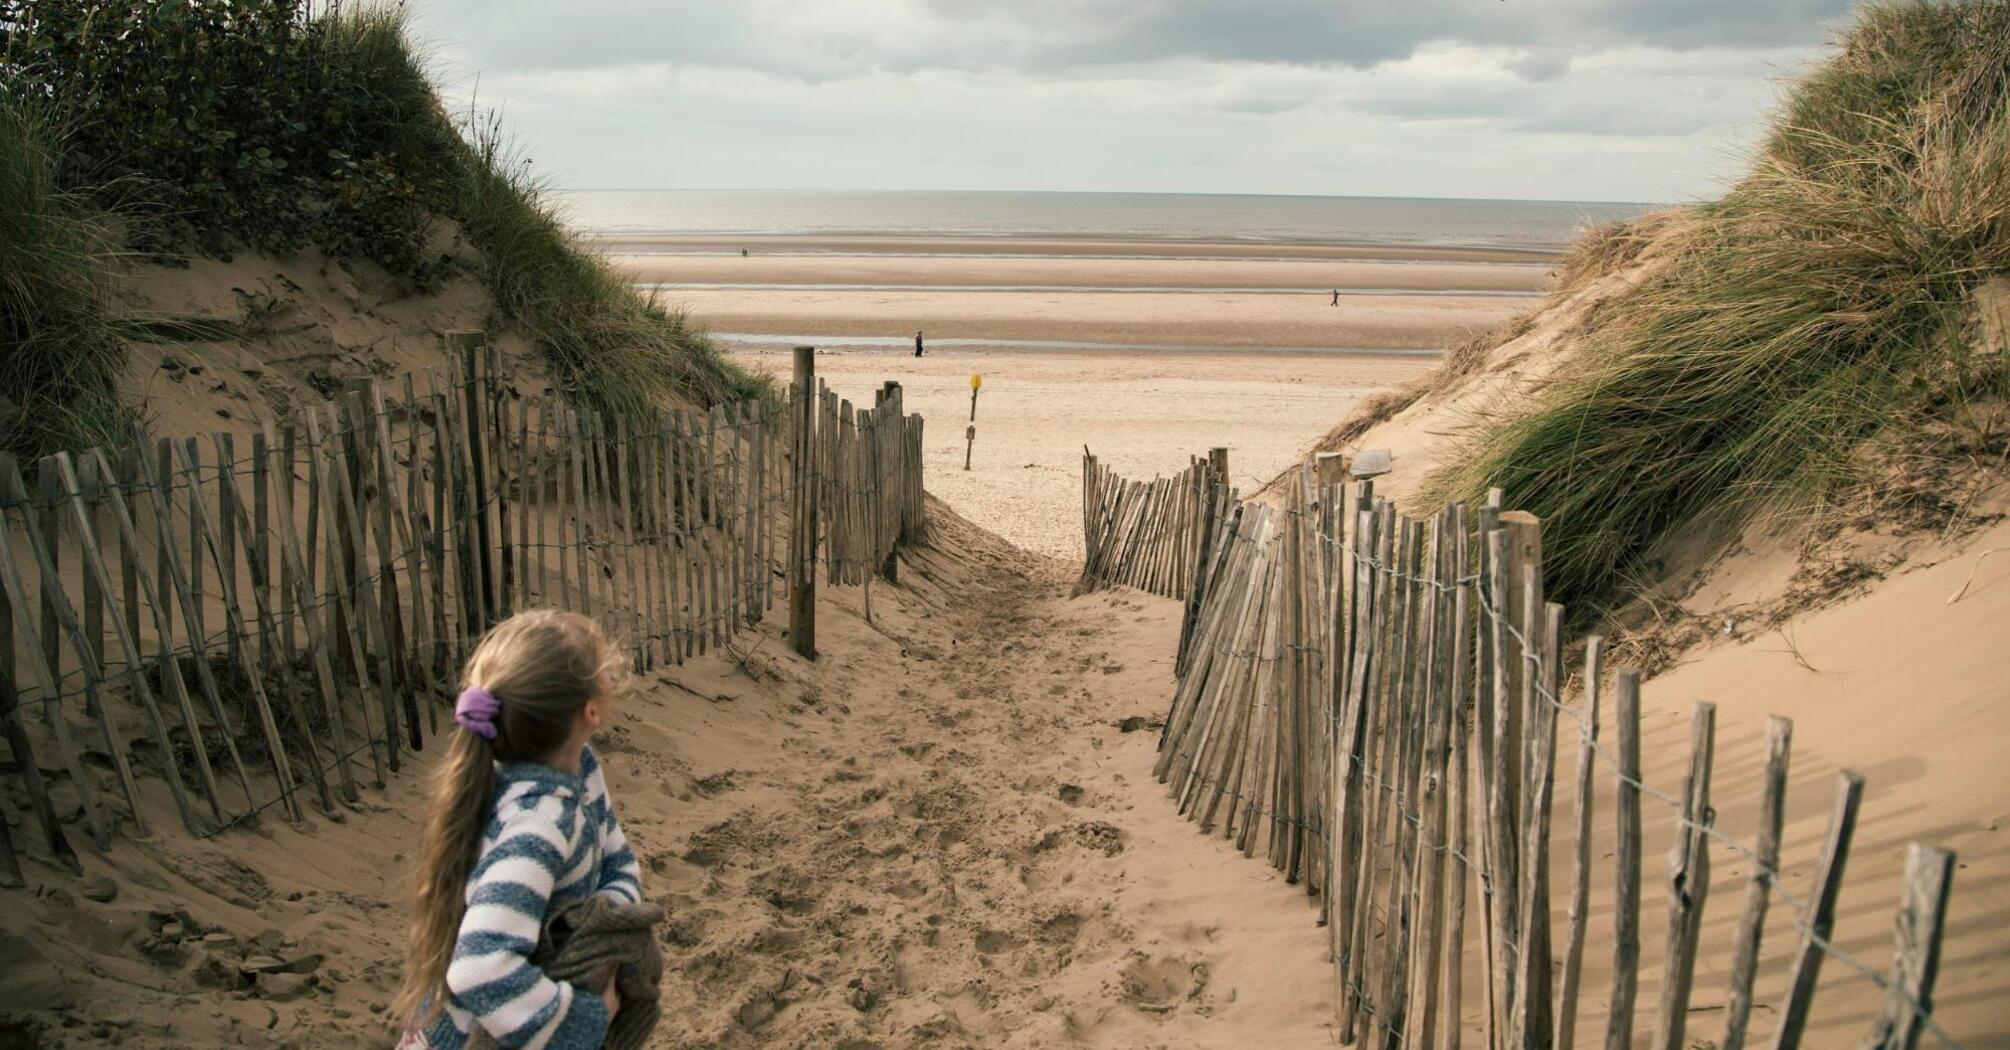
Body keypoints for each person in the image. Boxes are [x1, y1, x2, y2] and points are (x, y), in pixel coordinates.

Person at [393, 610, 644, 1050]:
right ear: (591, 710)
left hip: (527, 1013)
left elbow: (616, 860)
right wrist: (588, 1017)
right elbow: (480, 966)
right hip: (481, 1035)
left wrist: (601, 938)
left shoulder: (581, 772)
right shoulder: (537, 824)